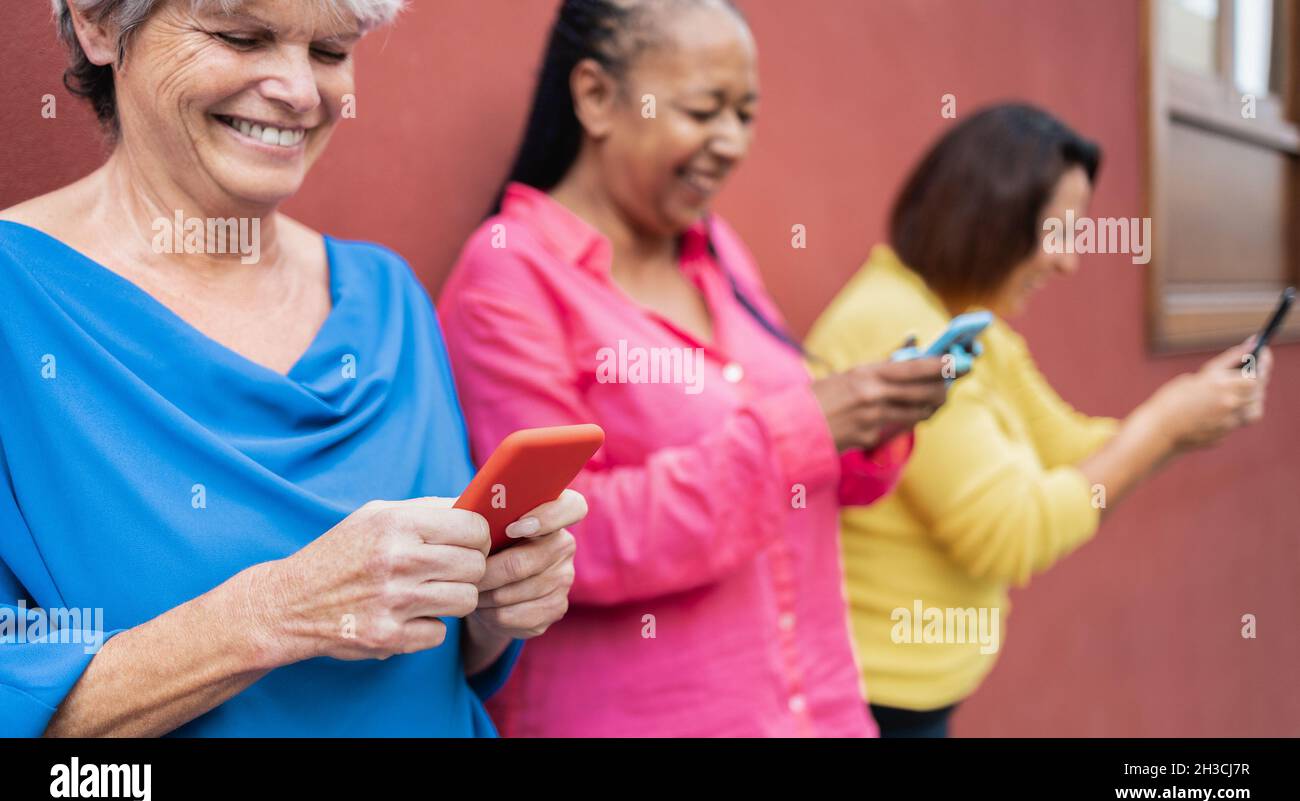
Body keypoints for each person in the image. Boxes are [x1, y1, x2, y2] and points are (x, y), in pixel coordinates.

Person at [0, 0, 585, 737]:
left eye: (332, 52)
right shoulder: (15, 303)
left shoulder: (389, 297)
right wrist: (275, 611)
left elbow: (441, 659)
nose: (301, 92)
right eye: (241, 36)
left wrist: (497, 609)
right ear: (95, 24)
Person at [438, 0, 950, 737]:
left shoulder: (717, 253)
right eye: (704, 109)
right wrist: (805, 426)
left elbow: (795, 468)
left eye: (745, 114)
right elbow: (559, 540)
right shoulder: (510, 276)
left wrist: (869, 419)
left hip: (817, 708)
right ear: (595, 97)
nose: (731, 142)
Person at [804, 103, 1273, 738]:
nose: (1068, 262)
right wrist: (1164, 427)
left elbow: (1069, 448)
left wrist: (1189, 414)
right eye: (1056, 233)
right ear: (986, 215)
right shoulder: (895, 325)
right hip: (879, 703)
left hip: (921, 692)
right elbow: (1008, 531)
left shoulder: (968, 323)